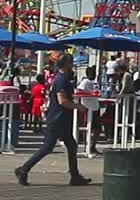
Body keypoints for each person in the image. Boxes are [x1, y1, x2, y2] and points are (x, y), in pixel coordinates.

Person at [14, 54, 91, 187]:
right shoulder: (61, 79)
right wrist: (78, 106)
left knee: (71, 145)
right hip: (57, 118)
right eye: (71, 62)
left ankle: (75, 175)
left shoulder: (63, 78)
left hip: (63, 118)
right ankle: (24, 169)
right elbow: (62, 101)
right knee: (48, 147)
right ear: (67, 64)